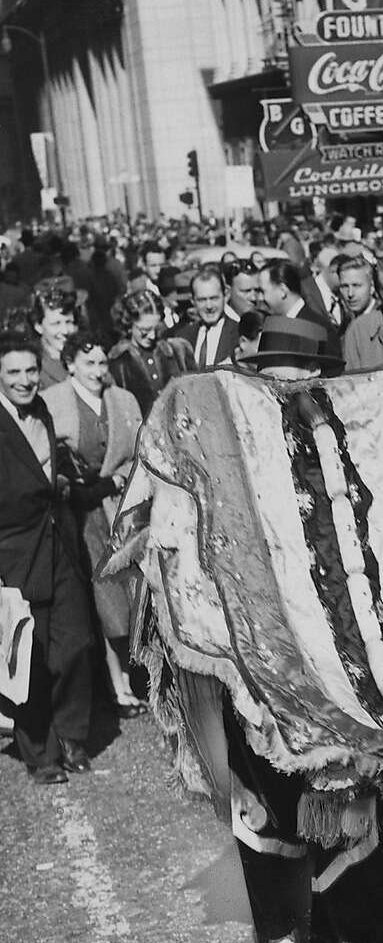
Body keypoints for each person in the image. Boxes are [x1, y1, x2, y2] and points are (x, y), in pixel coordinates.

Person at [219, 316, 383, 943]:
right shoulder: (236, 445)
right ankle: (282, 934)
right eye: (280, 369)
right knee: (267, 800)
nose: (292, 382)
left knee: (352, 808)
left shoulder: (354, 441)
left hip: (343, 658)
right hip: (264, 655)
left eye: (305, 369)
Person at [0, 332, 94, 783]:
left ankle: (72, 734)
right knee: (29, 657)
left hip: (57, 542)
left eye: (31, 370)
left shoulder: (40, 409)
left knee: (75, 642)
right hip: (15, 554)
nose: (25, 380)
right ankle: (41, 754)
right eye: (13, 372)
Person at [43, 334, 144, 713]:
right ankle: (114, 686)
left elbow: (137, 449)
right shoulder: (54, 404)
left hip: (120, 511)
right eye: (89, 364)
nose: (98, 372)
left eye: (102, 364)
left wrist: (121, 480)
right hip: (81, 517)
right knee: (104, 601)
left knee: (128, 596)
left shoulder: (122, 400)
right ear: (70, 365)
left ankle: (129, 677)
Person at [107, 288, 195, 416]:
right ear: (129, 324)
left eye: (157, 328)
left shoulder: (179, 350)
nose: (152, 336)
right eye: (145, 330)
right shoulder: (118, 363)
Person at [180, 265, 239, 369]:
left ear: (226, 296)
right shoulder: (183, 336)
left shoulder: (238, 334)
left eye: (214, 298)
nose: (209, 306)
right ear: (192, 301)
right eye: (202, 300)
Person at [32, 286, 79, 389]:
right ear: (38, 327)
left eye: (69, 322)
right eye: (56, 324)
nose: (65, 331)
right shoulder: (32, 364)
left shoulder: (88, 356)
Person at [336, 255, 375, 323]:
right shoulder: (347, 321)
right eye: (345, 286)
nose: (350, 294)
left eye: (356, 286)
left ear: (372, 287)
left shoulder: (382, 322)